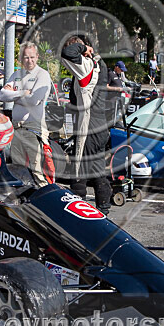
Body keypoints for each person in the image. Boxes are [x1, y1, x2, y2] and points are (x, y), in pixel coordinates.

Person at [60, 36, 112, 213]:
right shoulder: (98, 64)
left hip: (89, 127)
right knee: (97, 171)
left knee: (79, 172)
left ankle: (76, 212)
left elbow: (67, 53)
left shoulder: (87, 66)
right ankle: (104, 209)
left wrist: (83, 48)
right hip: (100, 126)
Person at [0, 42, 53, 186]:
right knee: (18, 170)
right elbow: (3, 95)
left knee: (37, 170)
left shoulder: (42, 75)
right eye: (26, 57)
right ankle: (24, 196)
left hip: (33, 129)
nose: (29, 61)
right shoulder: (16, 75)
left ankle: (44, 194)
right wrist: (23, 93)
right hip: (17, 128)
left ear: (37, 57)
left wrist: (14, 96)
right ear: (21, 59)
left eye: (32, 57)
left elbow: (34, 100)